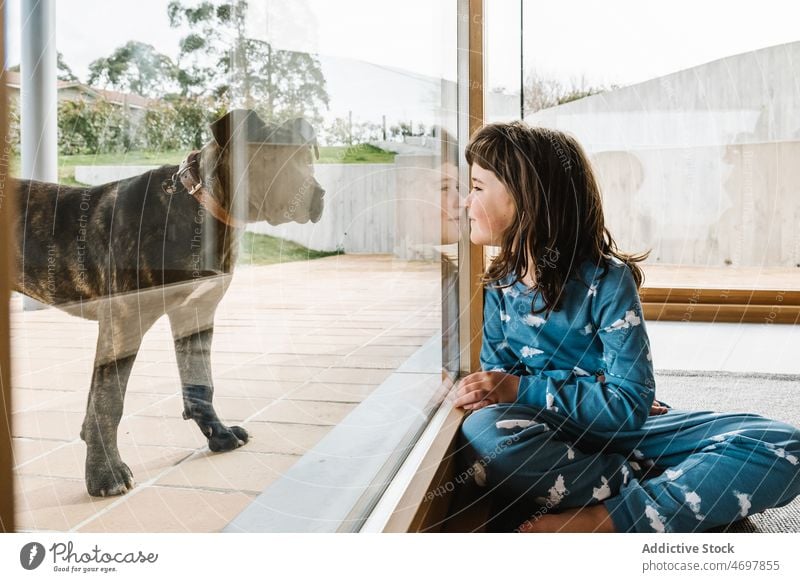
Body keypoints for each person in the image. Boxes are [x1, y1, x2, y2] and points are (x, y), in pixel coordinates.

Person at [455, 121, 800, 533]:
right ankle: (662, 492)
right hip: (555, 436)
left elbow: (627, 405)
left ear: (525, 198)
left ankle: (605, 518)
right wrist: (532, 390)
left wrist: (524, 388)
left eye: (476, 187)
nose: (465, 201)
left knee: (784, 445)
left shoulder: (607, 281)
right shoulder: (498, 284)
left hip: (631, 431)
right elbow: (501, 396)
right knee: (484, 435)